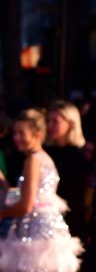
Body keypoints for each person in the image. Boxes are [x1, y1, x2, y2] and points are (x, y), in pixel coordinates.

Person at [0, 109, 82, 272]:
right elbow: (33, 196)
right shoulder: (45, 158)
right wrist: (4, 184)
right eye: (15, 133)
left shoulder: (33, 160)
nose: (16, 138)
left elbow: (26, 205)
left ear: (37, 133)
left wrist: (0, 213)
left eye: (22, 133)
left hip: (35, 234)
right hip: (49, 231)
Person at [45, 100, 90, 243]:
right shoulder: (46, 152)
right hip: (46, 219)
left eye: (55, 121)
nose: (49, 126)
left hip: (68, 223)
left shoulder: (77, 156)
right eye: (48, 121)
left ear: (70, 123)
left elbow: (75, 196)